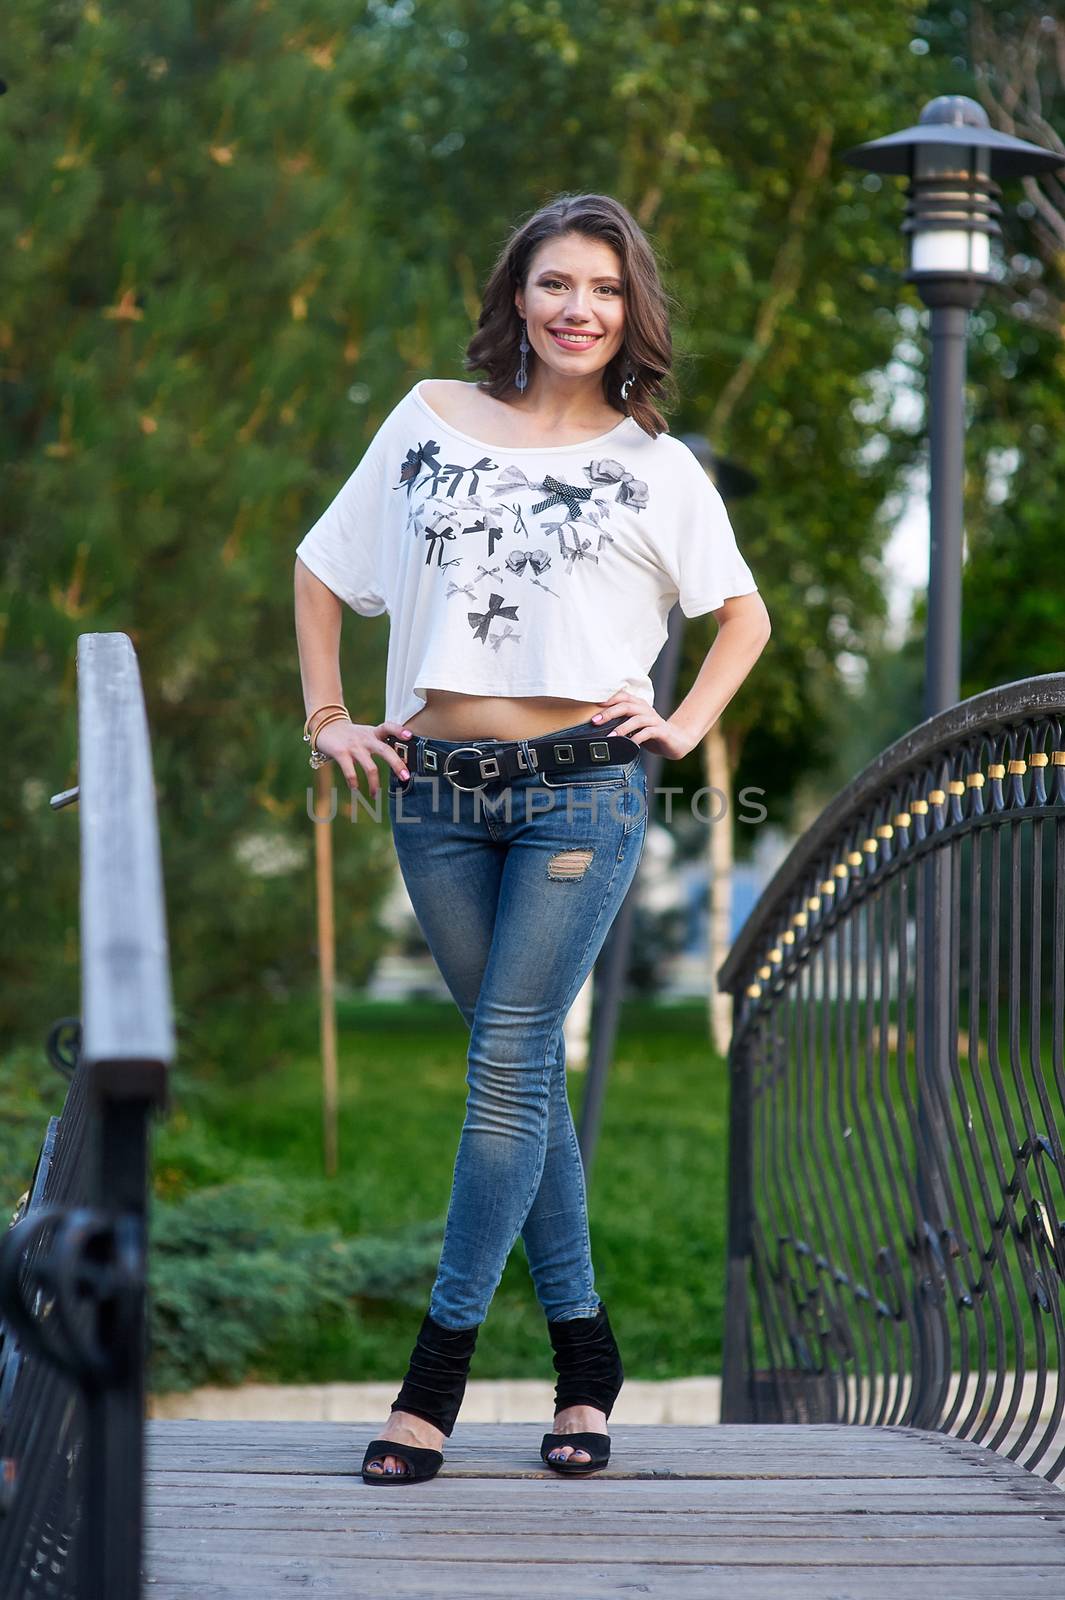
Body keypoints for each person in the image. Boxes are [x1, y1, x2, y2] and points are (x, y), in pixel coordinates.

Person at [293, 192, 771, 1485]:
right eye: (556, 283)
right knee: (522, 1079)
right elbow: (321, 566)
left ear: (632, 314)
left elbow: (743, 617)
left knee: (505, 1063)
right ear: (518, 293)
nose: (578, 309)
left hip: (581, 792)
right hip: (433, 792)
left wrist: (676, 722)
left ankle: (430, 1385)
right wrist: (325, 712)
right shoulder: (427, 419)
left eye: (605, 292)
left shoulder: (654, 466)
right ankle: (587, 1361)